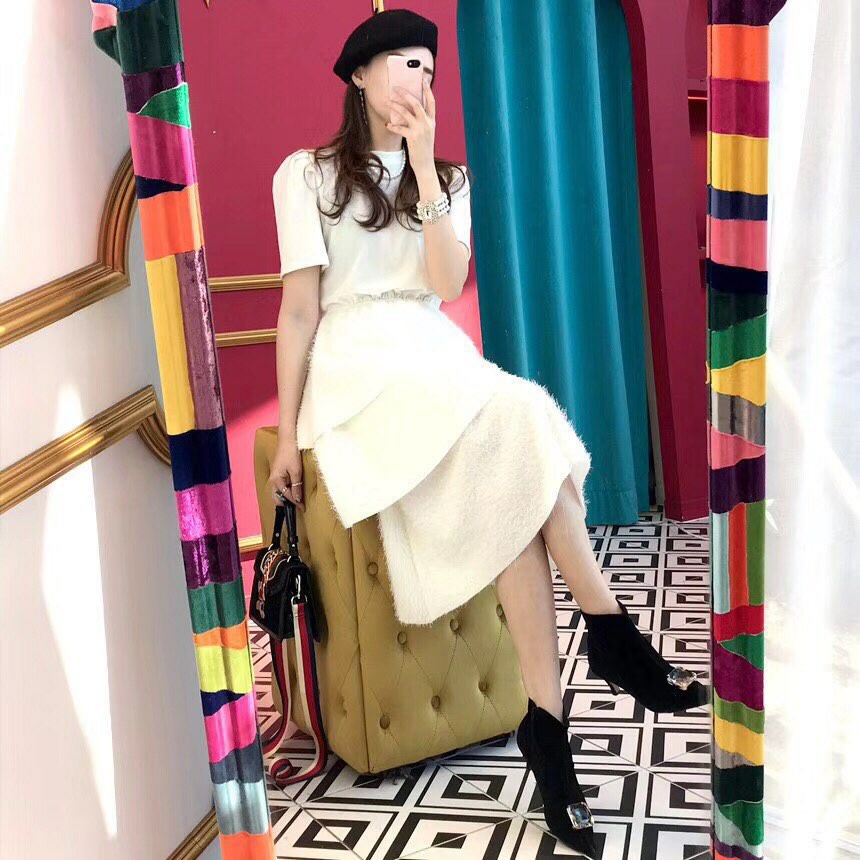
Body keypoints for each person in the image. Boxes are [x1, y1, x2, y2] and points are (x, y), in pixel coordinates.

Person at [267, 8, 709, 856]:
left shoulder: (449, 179)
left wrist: (425, 167)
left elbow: (444, 282)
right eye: (405, 63)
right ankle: (613, 633)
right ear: (359, 74)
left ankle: (549, 735)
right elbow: (297, 313)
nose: (421, 80)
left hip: (431, 353)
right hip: (358, 367)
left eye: (430, 69)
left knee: (516, 463)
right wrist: (287, 435)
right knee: (520, 415)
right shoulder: (308, 176)